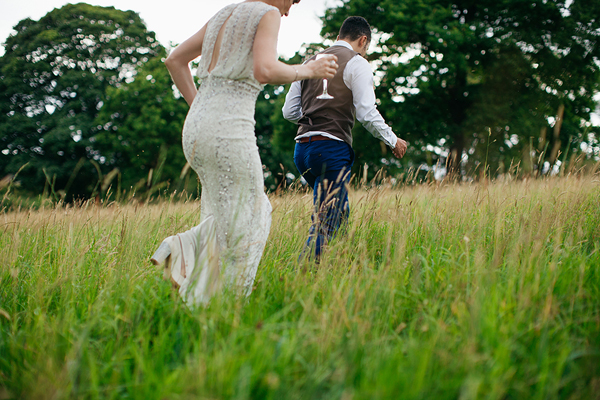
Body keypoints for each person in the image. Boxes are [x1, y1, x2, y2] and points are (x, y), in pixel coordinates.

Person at [151, 0, 338, 307]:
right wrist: (310, 70)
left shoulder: (223, 14)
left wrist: (201, 109)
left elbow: (174, 60)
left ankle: (202, 303)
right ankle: (221, 296)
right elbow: (264, 70)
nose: (289, 10)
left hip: (196, 126)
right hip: (228, 129)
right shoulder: (267, 13)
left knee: (225, 217)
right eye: (292, 1)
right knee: (255, 217)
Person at [282, 16, 408, 261]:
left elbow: (289, 112)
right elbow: (366, 112)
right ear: (363, 40)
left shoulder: (309, 62)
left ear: (339, 36)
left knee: (338, 212)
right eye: (367, 47)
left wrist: (313, 116)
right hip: (331, 150)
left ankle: (339, 265)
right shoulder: (357, 63)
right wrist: (393, 140)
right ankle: (304, 275)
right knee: (327, 221)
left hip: (302, 153)